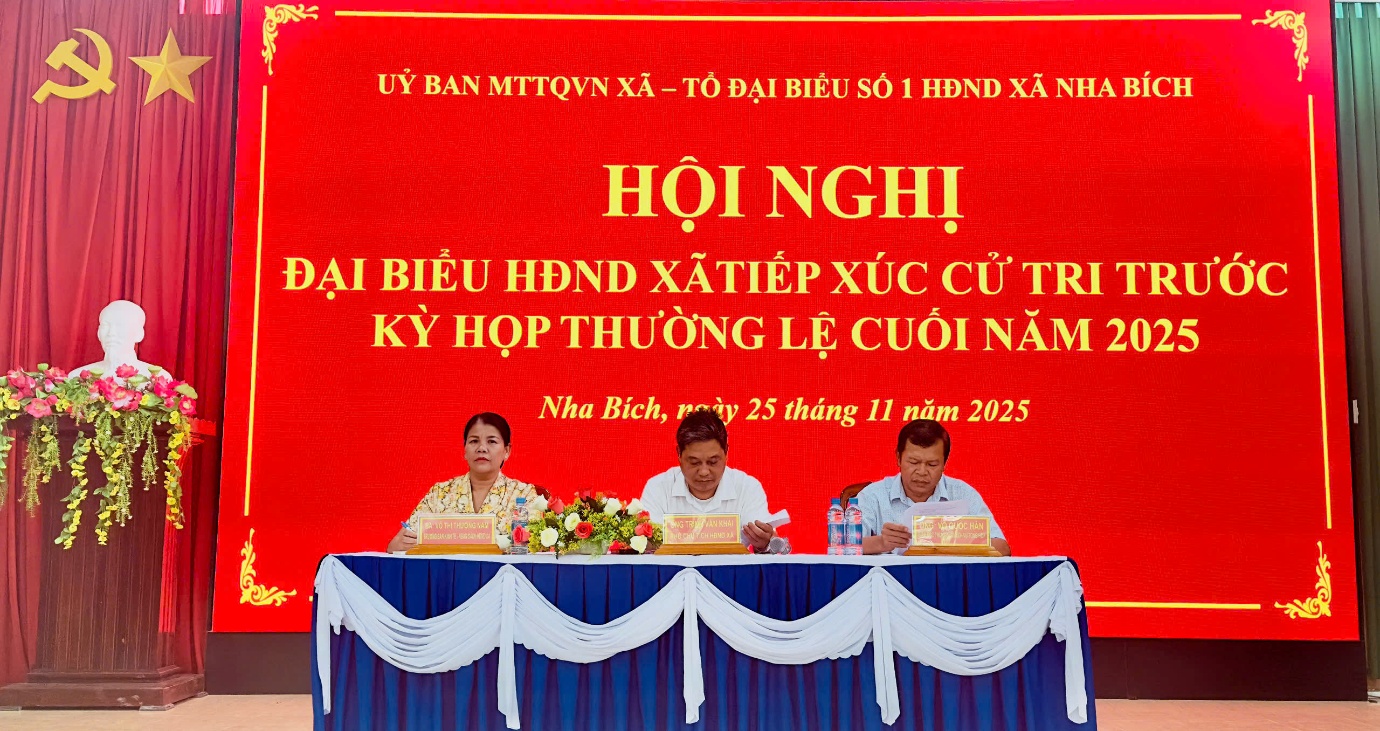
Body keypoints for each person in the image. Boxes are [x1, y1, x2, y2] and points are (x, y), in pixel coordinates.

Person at [640, 407, 787, 553]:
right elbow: (648, 549)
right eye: (694, 462)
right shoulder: (658, 488)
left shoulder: (747, 488)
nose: (704, 472)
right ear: (679, 454)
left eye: (713, 462)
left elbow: (766, 550)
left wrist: (763, 544)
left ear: (726, 452)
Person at [387, 412, 536, 552]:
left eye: (491, 441)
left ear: (507, 451)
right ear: (465, 449)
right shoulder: (440, 493)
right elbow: (402, 541)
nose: (481, 448)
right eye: (474, 441)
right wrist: (398, 545)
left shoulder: (524, 494)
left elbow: (535, 548)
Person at [857, 419, 1010, 556]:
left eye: (932, 464)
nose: (922, 472)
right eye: (914, 462)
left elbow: (1002, 547)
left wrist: (954, 540)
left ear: (944, 464)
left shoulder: (963, 494)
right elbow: (845, 546)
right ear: (898, 458)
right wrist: (881, 543)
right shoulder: (873, 496)